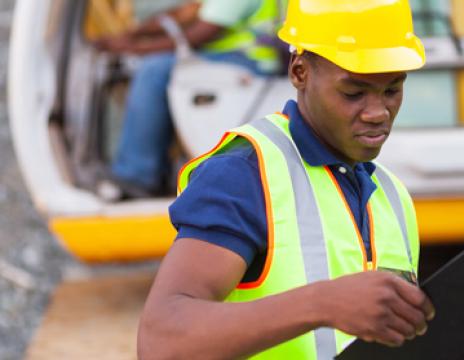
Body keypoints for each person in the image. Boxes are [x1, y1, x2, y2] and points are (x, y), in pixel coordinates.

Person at [137, 0, 434, 358]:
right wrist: (322, 303)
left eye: (392, 90)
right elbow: (161, 341)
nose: (377, 113)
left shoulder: (391, 194)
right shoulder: (244, 174)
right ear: (299, 72)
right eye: (353, 93)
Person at [96, 0, 286, 198]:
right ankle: (155, 170)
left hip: (248, 59)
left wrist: (133, 49)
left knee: (154, 70)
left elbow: (201, 33)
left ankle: (136, 174)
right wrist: (132, 35)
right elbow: (185, 13)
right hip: (227, 56)